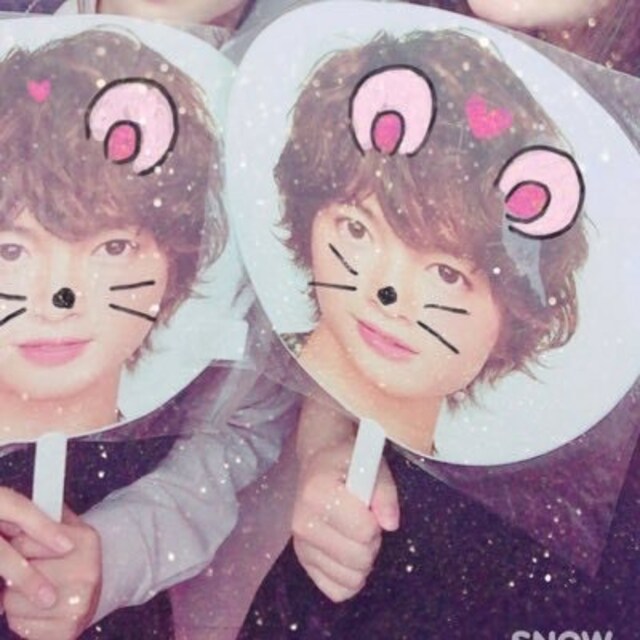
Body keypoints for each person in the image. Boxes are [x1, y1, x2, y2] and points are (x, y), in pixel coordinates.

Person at [289, 0, 640, 607]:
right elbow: (343, 341)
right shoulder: (422, 43)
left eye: (451, 273)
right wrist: (324, 453)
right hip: (372, 570)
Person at [0, 26, 297, 640]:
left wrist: (119, 552)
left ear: (178, 257)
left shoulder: (243, 143)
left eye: (112, 247)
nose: (59, 297)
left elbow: (244, 430)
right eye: (11, 250)